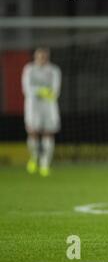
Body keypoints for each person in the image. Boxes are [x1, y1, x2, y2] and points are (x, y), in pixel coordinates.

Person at [22, 48, 61, 177]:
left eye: (44, 56)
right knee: (32, 132)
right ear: (35, 57)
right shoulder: (29, 69)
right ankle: (34, 158)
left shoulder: (54, 70)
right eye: (39, 56)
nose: (42, 59)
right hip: (33, 106)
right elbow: (27, 88)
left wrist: (47, 93)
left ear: (47, 57)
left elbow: (55, 90)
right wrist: (42, 91)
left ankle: (45, 164)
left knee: (48, 134)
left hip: (49, 107)